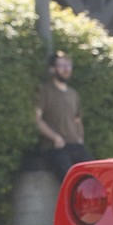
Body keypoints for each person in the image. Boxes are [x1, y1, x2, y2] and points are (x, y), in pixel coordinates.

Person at [35, 51, 93, 181]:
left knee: (94, 175)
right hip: (55, 147)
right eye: (61, 65)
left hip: (76, 145)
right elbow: (36, 119)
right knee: (70, 180)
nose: (66, 69)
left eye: (68, 65)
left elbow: (77, 120)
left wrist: (80, 138)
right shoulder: (45, 90)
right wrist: (55, 137)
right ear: (52, 68)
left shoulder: (74, 94)